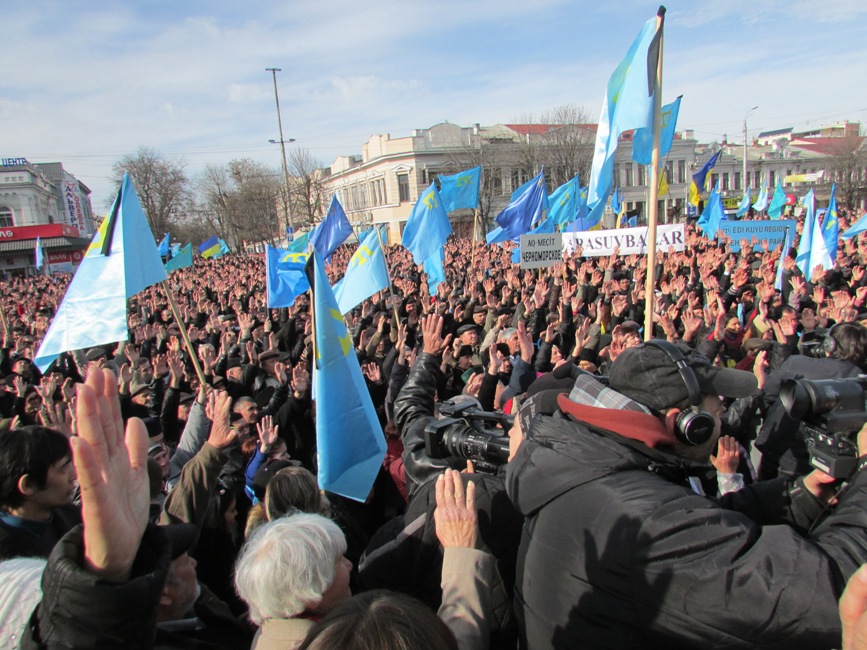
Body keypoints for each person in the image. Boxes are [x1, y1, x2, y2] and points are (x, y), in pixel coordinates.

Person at [506, 340, 867, 648]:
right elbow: (834, 591)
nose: (723, 409)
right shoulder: (647, 520)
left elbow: (703, 523)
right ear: (685, 423)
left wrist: (798, 496)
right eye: (715, 403)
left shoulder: (596, 465)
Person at [0, 425, 80, 559]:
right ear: (28, 485)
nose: (74, 476)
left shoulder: (72, 517)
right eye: (63, 469)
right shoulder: (7, 554)